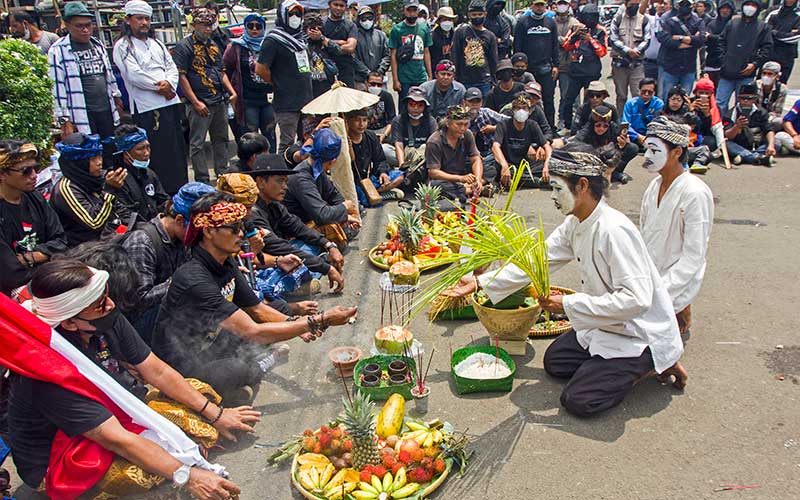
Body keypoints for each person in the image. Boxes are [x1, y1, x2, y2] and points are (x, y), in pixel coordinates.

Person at [8, 260, 252, 499]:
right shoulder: (47, 369)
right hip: (67, 453)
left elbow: (155, 370)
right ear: (70, 322)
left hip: (113, 416)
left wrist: (217, 415)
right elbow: (115, 438)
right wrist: (189, 477)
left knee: (199, 396)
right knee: (140, 474)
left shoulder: (99, 316)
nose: (111, 304)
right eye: (101, 303)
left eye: (106, 296)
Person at [474, 151, 687, 417]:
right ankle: (609, 367)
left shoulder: (613, 231)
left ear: (583, 185)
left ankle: (650, 364)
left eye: (557, 188)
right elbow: (538, 259)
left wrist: (567, 303)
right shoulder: (575, 222)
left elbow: (636, 300)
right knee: (555, 363)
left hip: (638, 332)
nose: (552, 196)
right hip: (605, 322)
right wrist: (478, 283)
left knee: (578, 401)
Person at [151, 191, 357, 402]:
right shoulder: (194, 278)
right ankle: (254, 371)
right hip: (182, 363)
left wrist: (296, 323)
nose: (241, 234)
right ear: (209, 231)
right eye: (233, 228)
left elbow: (256, 308)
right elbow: (253, 331)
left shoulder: (225, 260)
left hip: (215, 340)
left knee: (279, 315)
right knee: (239, 367)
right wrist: (318, 321)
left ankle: (236, 388)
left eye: (241, 227)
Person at [640, 117, 713, 339]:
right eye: (646, 150)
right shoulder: (653, 186)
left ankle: (680, 306)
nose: (646, 157)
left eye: (654, 150)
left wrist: (662, 293)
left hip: (675, 282)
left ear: (677, 152)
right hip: (649, 276)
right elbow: (644, 238)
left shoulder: (695, 193)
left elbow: (693, 257)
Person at [113, 0, 188, 195]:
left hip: (170, 103)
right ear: (128, 20)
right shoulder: (123, 46)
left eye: (147, 19)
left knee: (177, 153)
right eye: (139, 19)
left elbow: (171, 67)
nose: (144, 23)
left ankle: (180, 192)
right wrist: (160, 87)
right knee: (157, 155)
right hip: (147, 107)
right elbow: (133, 75)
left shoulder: (157, 43)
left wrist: (170, 85)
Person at [121, 182, 211, 343]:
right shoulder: (142, 242)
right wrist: (180, 282)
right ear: (178, 220)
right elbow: (138, 301)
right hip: (143, 327)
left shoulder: (182, 240)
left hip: (172, 317)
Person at [249, 154, 347, 291]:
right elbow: (278, 247)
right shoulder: (252, 212)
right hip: (263, 263)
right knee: (288, 263)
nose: (285, 187)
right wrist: (326, 268)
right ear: (260, 182)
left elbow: (298, 227)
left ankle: (309, 272)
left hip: (282, 251)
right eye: (279, 181)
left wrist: (329, 245)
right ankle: (305, 277)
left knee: (309, 244)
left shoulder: (274, 204)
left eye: (285, 181)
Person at [173, 7, 236, 184]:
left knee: (221, 139)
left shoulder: (214, 45)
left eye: (210, 25)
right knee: (197, 143)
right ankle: (202, 179)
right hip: (199, 102)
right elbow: (181, 76)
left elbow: (221, 71)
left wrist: (232, 92)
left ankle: (222, 174)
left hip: (219, 100)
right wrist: (195, 101)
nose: (207, 29)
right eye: (203, 25)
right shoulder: (184, 46)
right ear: (194, 25)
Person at [48, 2, 122, 145]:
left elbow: (109, 76)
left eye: (88, 25)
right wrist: (65, 120)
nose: (85, 30)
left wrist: (116, 97)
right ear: (68, 25)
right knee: (90, 153)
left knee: (111, 149)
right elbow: (57, 88)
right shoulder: (58, 50)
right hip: (82, 114)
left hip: (106, 110)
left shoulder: (97, 45)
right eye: (79, 26)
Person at [0, 140, 67, 298]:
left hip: (48, 272)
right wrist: (48, 256)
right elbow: (11, 273)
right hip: (14, 290)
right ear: (2, 174)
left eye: (36, 168)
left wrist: (30, 257)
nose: (34, 175)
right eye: (25, 171)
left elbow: (61, 241)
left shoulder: (34, 196)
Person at [256, 0, 313, 155]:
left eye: (298, 14)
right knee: (287, 142)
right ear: (282, 15)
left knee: (307, 139)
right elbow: (260, 69)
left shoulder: (301, 39)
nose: (295, 17)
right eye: (291, 14)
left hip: (306, 100)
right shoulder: (273, 39)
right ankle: (282, 174)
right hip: (286, 102)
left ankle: (303, 172)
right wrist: (279, 82)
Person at [284, 128, 361, 241]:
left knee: (353, 221)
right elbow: (322, 215)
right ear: (332, 161)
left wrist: (346, 215)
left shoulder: (317, 167)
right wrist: (344, 208)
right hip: (299, 227)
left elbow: (333, 194)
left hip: (314, 217)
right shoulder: (302, 177)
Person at [50, 133, 125, 246]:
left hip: (111, 236)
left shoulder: (96, 178)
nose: (99, 162)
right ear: (79, 163)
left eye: (99, 156)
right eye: (92, 159)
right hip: (86, 249)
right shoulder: (66, 189)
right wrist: (110, 190)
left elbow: (120, 209)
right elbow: (94, 222)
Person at [223, 13, 276, 149]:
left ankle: (272, 166)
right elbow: (224, 70)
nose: (254, 29)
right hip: (247, 99)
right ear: (245, 27)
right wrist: (231, 93)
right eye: (250, 26)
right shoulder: (236, 46)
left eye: (258, 26)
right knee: (251, 136)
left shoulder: (270, 44)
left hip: (268, 99)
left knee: (270, 133)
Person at [716, 0, 772, 116]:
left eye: (753, 5)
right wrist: (723, 60)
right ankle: (718, 129)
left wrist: (755, 64)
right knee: (720, 103)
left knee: (743, 105)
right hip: (727, 72)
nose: (750, 8)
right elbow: (721, 41)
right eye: (748, 5)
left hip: (746, 74)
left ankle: (738, 130)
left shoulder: (763, 27)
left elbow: (767, 48)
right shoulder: (733, 23)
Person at [107, 124, 169, 225]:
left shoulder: (149, 173)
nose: (146, 153)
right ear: (126, 153)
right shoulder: (117, 179)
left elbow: (162, 199)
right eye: (140, 149)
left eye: (148, 147)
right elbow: (126, 217)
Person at [561, 4, 608, 131]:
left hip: (592, 73)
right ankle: (568, 126)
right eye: (587, 16)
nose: (589, 19)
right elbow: (566, 46)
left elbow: (602, 52)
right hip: (575, 72)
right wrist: (575, 35)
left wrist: (590, 39)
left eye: (592, 16)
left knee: (592, 102)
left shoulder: (600, 31)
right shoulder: (576, 28)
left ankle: (590, 126)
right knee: (568, 100)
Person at [561, 105, 637, 184]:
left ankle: (614, 172)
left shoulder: (613, 128)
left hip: (608, 160)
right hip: (592, 161)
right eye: (598, 125)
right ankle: (609, 176)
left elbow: (620, 144)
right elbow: (575, 143)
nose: (601, 128)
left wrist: (623, 144)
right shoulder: (586, 131)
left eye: (605, 126)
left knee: (632, 148)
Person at [514, 0, 560, 127]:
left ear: (545, 6)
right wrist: (518, 65)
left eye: (542, 5)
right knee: (524, 100)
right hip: (527, 69)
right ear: (532, 6)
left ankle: (550, 127)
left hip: (546, 68)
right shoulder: (522, 22)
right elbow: (517, 45)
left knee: (548, 100)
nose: (539, 8)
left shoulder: (550, 22)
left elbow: (555, 45)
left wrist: (556, 65)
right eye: (537, 5)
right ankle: (525, 126)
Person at [426, 105, 484, 205]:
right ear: (448, 123)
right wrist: (460, 179)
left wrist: (478, 179)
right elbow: (433, 172)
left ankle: (474, 186)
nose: (462, 128)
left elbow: (475, 159)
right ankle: (467, 190)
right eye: (459, 124)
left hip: (462, 171)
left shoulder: (467, 134)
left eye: (466, 124)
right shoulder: (434, 141)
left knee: (489, 166)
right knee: (435, 186)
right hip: (445, 178)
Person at [345, 110, 405, 205]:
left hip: (370, 179)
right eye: (357, 120)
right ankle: (378, 195)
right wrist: (347, 150)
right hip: (353, 182)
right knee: (361, 199)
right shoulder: (343, 140)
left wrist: (383, 173)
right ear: (347, 121)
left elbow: (380, 159)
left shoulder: (370, 136)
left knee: (400, 176)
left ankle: (377, 192)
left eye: (364, 120)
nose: (361, 124)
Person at [493, 94, 551, 187]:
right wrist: (504, 165)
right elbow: (495, 146)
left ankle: (521, 181)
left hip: (525, 164)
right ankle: (537, 182)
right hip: (508, 164)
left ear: (529, 111)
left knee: (554, 165)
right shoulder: (503, 125)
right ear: (512, 111)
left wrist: (546, 166)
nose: (521, 111)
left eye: (524, 108)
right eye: (518, 108)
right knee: (493, 169)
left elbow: (547, 146)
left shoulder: (532, 125)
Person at [656, 0, 705, 102]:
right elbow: (666, 39)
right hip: (670, 67)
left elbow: (701, 39)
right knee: (667, 99)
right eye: (682, 4)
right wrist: (690, 41)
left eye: (687, 4)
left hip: (689, 68)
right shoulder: (668, 20)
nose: (685, 6)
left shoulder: (697, 20)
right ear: (677, 5)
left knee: (685, 100)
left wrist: (679, 38)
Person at [609, 0, 650, 113]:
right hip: (620, 64)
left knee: (638, 95)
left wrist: (636, 50)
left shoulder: (644, 20)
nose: (634, 7)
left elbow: (647, 39)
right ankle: (622, 123)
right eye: (632, 4)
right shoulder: (617, 19)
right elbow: (613, 39)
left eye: (637, 4)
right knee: (621, 96)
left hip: (637, 64)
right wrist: (627, 51)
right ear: (626, 4)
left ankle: (638, 122)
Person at [452, 0, 500, 97]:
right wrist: (455, 76)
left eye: (480, 14)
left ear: (485, 14)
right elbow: (455, 55)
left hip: (484, 80)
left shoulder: (490, 36)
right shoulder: (460, 32)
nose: (477, 17)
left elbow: (493, 60)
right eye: (474, 14)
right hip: (464, 79)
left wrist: (494, 80)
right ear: (469, 15)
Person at [388, 0, 433, 100]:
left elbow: (426, 52)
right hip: (404, 78)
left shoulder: (424, 28)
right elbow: (393, 55)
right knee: (405, 107)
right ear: (404, 10)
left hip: (420, 76)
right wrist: (395, 79)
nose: (412, 13)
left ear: (418, 11)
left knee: (422, 105)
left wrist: (430, 76)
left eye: (414, 10)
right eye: (409, 10)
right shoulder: (397, 29)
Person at [723, 83, 777, 166]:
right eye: (742, 98)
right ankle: (757, 158)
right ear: (738, 98)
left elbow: (769, 130)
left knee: (776, 143)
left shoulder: (761, 112)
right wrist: (737, 126)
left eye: (749, 98)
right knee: (725, 144)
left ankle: (745, 157)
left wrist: (771, 146)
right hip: (738, 144)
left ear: (754, 99)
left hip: (757, 144)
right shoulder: (730, 114)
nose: (745, 101)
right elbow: (727, 136)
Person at [660, 86, 712, 171]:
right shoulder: (661, 114)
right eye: (673, 99)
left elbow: (698, 129)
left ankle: (697, 164)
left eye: (679, 100)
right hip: (666, 150)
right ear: (668, 100)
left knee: (705, 149)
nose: (675, 102)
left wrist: (691, 110)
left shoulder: (686, 115)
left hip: (684, 149)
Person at [385, 87, 438, 170]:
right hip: (405, 154)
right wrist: (402, 166)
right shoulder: (398, 120)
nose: (415, 108)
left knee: (425, 148)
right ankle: (411, 167)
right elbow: (398, 144)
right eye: (412, 104)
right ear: (406, 105)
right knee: (385, 149)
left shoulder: (431, 121)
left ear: (425, 107)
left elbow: (434, 144)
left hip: (423, 155)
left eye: (420, 105)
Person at [465, 87, 507, 178]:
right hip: (468, 156)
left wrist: (494, 128)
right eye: (471, 102)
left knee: (494, 165)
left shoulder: (487, 113)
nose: (474, 105)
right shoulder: (460, 118)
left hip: (488, 154)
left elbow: (510, 122)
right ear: (464, 102)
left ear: (481, 102)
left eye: (477, 102)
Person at [303, 12, 344, 98]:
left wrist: (321, 38)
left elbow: (338, 51)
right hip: (308, 87)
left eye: (319, 28)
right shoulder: (300, 43)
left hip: (326, 87)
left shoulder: (324, 42)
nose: (316, 31)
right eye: (313, 28)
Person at [554, 0, 580, 129]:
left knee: (566, 96)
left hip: (568, 65)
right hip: (552, 64)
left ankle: (565, 121)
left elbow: (575, 41)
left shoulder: (574, 23)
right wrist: (561, 40)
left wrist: (564, 41)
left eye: (564, 3)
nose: (562, 6)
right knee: (548, 96)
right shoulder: (550, 21)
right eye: (560, 3)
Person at [322, 0, 359, 88]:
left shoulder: (351, 26)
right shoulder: (321, 24)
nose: (338, 8)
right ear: (329, 5)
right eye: (335, 5)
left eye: (341, 6)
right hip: (324, 72)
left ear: (346, 7)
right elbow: (318, 43)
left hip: (345, 72)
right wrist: (341, 42)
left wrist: (327, 42)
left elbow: (350, 48)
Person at [355, 5, 390, 87]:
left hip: (379, 80)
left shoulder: (381, 35)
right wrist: (367, 73)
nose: (367, 21)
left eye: (370, 18)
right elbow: (353, 58)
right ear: (358, 19)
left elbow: (388, 55)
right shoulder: (354, 35)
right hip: (360, 81)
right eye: (364, 18)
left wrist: (379, 72)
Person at [766, 0, 800, 84]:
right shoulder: (772, 12)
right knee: (762, 84)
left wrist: (775, 33)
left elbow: (794, 38)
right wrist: (788, 33)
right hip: (769, 54)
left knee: (780, 86)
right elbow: (765, 32)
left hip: (787, 57)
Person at [702, 0, 734, 89]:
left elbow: (731, 40)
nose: (725, 11)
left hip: (728, 64)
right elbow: (706, 38)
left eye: (728, 9)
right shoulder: (712, 23)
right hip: (711, 61)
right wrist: (717, 38)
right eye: (723, 8)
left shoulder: (735, 24)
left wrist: (713, 37)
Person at [623, 78, 664, 146]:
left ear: (654, 92)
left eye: (650, 92)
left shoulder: (659, 104)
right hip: (633, 137)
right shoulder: (630, 103)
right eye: (643, 91)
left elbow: (657, 125)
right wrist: (637, 136)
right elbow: (625, 124)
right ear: (639, 90)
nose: (646, 94)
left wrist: (648, 137)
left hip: (651, 137)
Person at [643, 0, 672, 81]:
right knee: (648, 90)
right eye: (660, 3)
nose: (662, 6)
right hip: (649, 63)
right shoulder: (650, 19)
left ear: (670, 7)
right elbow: (640, 13)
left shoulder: (674, 22)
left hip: (667, 64)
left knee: (663, 92)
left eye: (665, 4)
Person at [756, 61, 788, 132]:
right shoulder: (755, 85)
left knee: (780, 122)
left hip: (770, 117)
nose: (766, 76)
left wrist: (766, 118)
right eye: (764, 73)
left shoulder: (782, 89)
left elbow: (777, 112)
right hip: (755, 116)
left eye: (770, 74)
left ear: (777, 76)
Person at [365, 72, 397, 139]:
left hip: (383, 130)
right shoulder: (360, 96)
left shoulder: (387, 96)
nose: (376, 87)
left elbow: (392, 119)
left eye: (379, 85)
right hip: (364, 130)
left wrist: (384, 135)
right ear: (366, 83)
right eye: (373, 84)